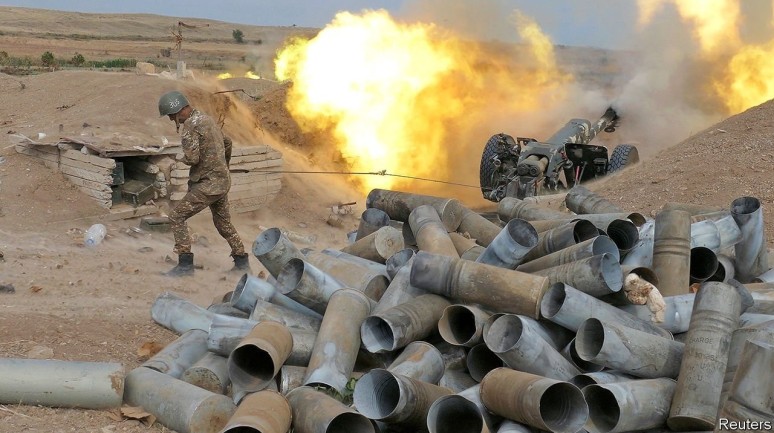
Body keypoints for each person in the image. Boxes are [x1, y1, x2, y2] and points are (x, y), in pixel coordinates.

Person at [157, 90, 250, 276]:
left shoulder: (190, 127)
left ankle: (185, 265)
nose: (171, 120)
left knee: (176, 216)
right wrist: (224, 165)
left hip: (208, 185)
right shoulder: (206, 119)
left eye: (170, 116)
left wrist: (180, 158)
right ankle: (242, 263)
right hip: (222, 182)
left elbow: (192, 158)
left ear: (178, 111)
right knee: (223, 223)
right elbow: (228, 142)